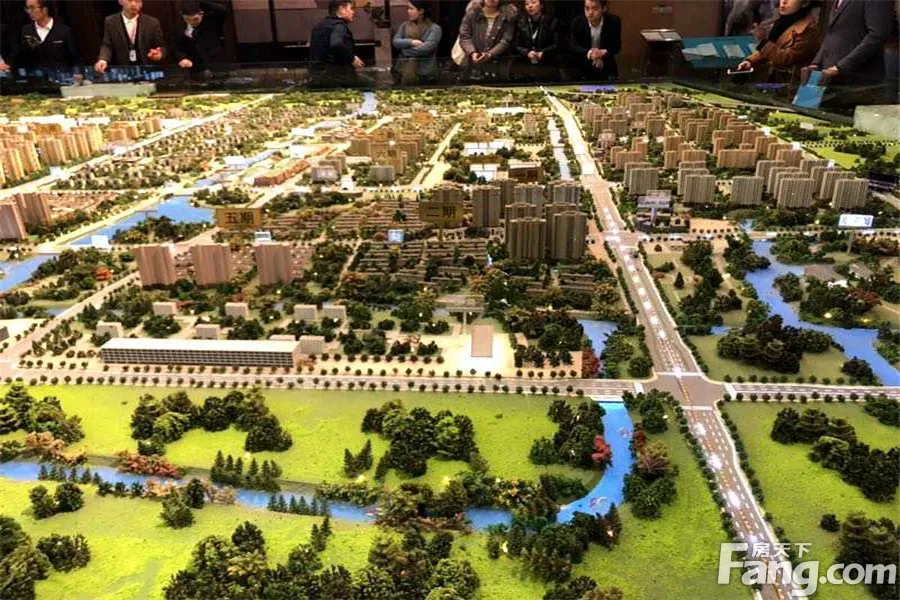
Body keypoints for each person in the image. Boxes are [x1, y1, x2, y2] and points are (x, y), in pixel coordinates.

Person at [805, 0, 892, 86]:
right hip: (825, 73)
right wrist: (816, 62)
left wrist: (841, 67)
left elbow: (877, 35)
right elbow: (831, 32)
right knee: (805, 95)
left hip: (856, 79)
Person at [735, 0, 820, 81]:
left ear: (804, 3)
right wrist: (750, 61)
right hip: (772, 78)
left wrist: (762, 40)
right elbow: (769, 49)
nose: (784, 2)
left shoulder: (809, 29)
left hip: (791, 82)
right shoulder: (781, 22)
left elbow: (785, 59)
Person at [95, 0, 165, 73]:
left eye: (137, 1)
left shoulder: (152, 22)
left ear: (141, 4)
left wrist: (159, 54)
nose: (133, 4)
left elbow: (162, 46)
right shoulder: (111, 21)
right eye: (129, 0)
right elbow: (107, 44)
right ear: (120, 1)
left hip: (147, 69)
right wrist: (103, 60)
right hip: (122, 70)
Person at [458, 0, 518, 79]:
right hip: (472, 63)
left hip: (498, 64)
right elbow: (464, 37)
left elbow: (506, 40)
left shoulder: (508, 16)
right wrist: (472, 53)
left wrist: (490, 54)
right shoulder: (472, 13)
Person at [309, 0, 365, 86]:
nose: (353, 12)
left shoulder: (319, 26)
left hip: (317, 76)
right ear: (341, 9)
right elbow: (336, 45)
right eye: (351, 8)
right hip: (338, 76)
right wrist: (352, 59)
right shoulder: (339, 25)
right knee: (370, 84)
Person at [16, 0, 80, 71]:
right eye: (27, 8)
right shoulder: (26, 30)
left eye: (32, 8)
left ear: (45, 9)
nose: (29, 11)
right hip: (36, 75)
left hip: (60, 74)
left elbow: (75, 58)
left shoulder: (64, 31)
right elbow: (21, 55)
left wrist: (77, 72)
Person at [569, 0, 621, 81]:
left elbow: (617, 47)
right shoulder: (577, 22)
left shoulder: (614, 21)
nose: (590, 12)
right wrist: (591, 53)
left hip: (606, 64)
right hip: (582, 65)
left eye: (595, 9)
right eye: (587, 8)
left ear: (604, 8)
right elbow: (573, 46)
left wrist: (602, 53)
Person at [393, 0, 443, 84]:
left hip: (425, 73)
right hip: (403, 69)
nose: (408, 11)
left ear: (421, 11)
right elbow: (396, 41)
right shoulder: (405, 25)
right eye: (408, 8)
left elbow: (425, 49)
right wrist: (411, 42)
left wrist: (404, 50)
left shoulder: (434, 28)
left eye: (411, 8)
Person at [173, 0, 228, 74]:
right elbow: (177, 46)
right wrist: (182, 58)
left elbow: (222, 9)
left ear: (202, 14)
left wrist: (198, 2)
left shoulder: (212, 21)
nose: (192, 22)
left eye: (195, 19)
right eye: (187, 19)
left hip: (215, 63)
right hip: (193, 66)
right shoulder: (179, 26)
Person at [513, 0, 560, 80]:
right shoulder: (520, 22)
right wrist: (527, 52)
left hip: (548, 63)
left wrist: (544, 53)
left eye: (533, 2)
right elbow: (515, 44)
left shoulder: (552, 22)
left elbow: (557, 44)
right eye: (527, 4)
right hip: (525, 63)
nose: (530, 6)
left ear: (541, 6)